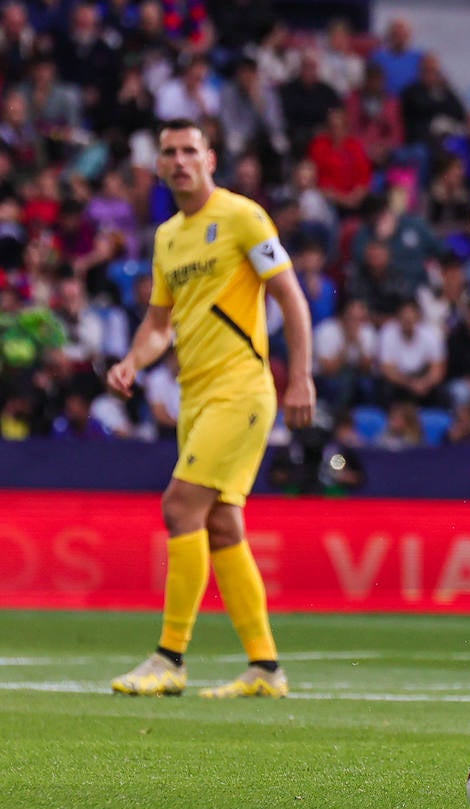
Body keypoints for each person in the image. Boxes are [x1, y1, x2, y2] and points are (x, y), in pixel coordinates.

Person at [106, 118, 315, 699]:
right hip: (194, 398)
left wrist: (299, 376)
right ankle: (266, 668)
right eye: (168, 152)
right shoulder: (168, 237)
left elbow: (291, 298)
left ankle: (170, 657)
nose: (179, 160)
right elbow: (157, 325)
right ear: (158, 165)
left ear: (210, 158)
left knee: (180, 507)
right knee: (221, 523)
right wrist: (131, 362)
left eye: (188, 150)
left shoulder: (243, 217)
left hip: (241, 390)